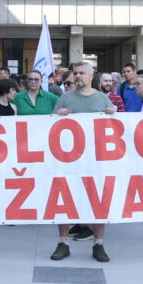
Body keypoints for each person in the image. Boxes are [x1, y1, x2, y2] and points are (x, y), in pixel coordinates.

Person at [50, 62, 116, 263]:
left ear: (90, 76)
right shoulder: (65, 98)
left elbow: (114, 128)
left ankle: (98, 244)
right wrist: (57, 116)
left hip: (95, 161)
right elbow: (49, 125)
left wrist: (111, 115)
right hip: (68, 161)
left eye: (81, 73)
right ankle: (63, 243)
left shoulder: (102, 98)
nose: (77, 76)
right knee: (64, 200)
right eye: (75, 73)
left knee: (98, 201)